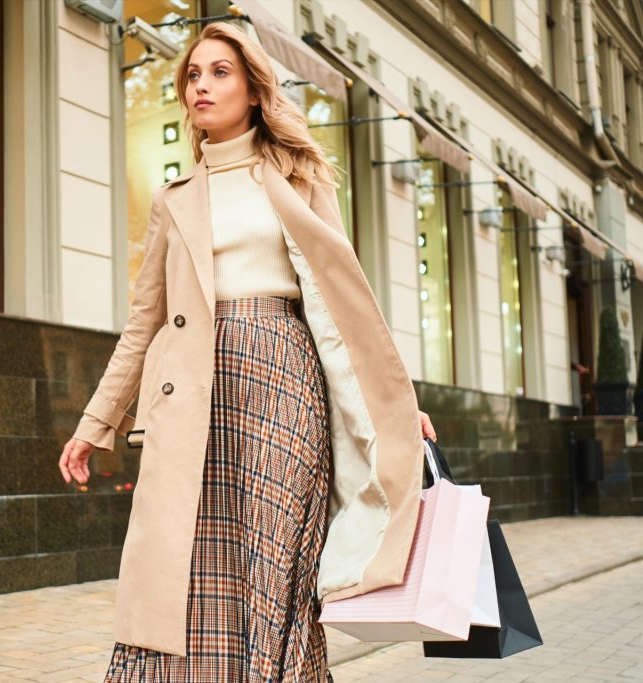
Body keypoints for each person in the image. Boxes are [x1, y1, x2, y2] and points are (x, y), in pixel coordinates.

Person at [58, 20, 437, 682]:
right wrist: (96, 422)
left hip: (284, 379)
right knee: (193, 559)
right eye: (193, 75)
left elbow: (349, 301)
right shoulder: (174, 199)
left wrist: (396, 408)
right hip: (194, 393)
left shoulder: (299, 176)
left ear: (255, 90)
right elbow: (144, 323)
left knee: (275, 554)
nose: (201, 86)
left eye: (220, 72)